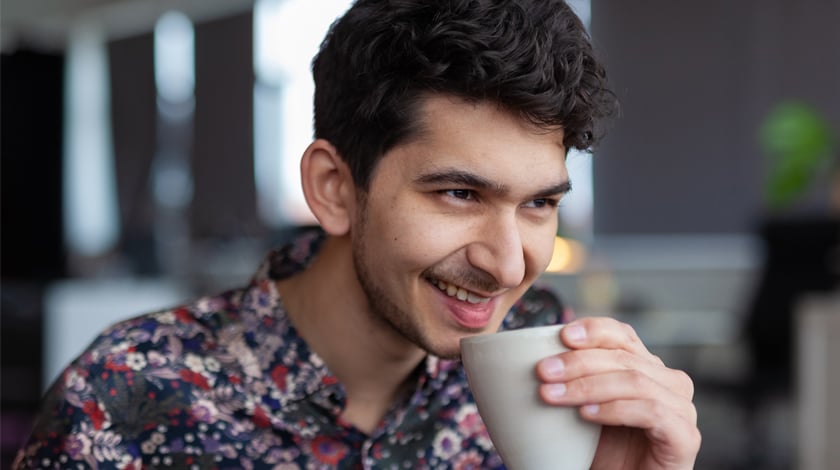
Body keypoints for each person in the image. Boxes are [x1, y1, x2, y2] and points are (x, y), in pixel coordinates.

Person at [15, 0, 701, 468]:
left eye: (538, 205)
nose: (507, 265)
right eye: (460, 194)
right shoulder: (127, 398)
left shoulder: (555, 374)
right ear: (334, 189)